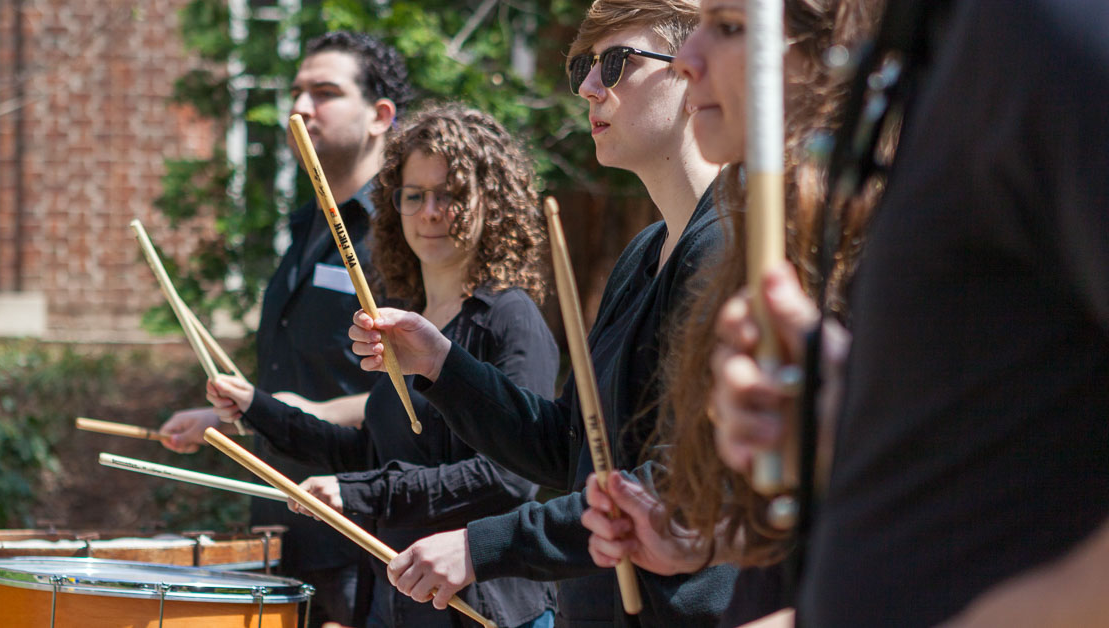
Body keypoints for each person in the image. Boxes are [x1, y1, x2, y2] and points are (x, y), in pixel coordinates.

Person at [614, 0, 1109, 626]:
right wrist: (840, 419)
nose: (686, 60)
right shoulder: (948, 45)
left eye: (732, 26)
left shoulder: (1045, 28)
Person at [346, 2, 740, 625]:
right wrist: (442, 365)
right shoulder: (645, 252)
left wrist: (484, 545)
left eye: (616, 64)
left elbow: (682, 480)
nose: (587, 86)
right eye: (585, 65)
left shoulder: (724, 248)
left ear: (693, 70)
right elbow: (573, 447)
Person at [577, 1, 880, 624]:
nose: (688, 63)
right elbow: (813, 521)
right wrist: (713, 534)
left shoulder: (893, 234)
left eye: (732, 28)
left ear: (825, 55)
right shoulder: (776, 227)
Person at [206, 103, 560, 628]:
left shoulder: (509, 317)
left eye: (452, 195)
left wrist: (359, 493)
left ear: (494, 204)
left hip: (487, 610)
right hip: (398, 603)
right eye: (414, 196)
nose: (430, 212)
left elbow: (511, 476)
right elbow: (371, 453)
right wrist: (257, 408)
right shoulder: (408, 319)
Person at [158, 31, 413, 627]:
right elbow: (299, 376)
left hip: (357, 526)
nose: (300, 108)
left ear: (380, 117)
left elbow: (409, 393)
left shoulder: (403, 236)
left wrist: (307, 411)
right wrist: (232, 413)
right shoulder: (307, 229)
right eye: (296, 92)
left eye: (324, 93)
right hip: (279, 519)